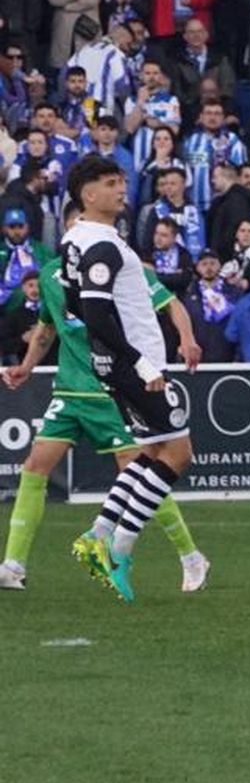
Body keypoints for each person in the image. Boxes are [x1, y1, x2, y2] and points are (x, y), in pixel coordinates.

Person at [0, 202, 208, 593]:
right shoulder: (50, 275)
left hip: (110, 387)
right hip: (69, 388)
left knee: (143, 464)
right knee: (35, 465)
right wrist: (26, 368)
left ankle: (189, 556)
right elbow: (47, 328)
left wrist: (186, 338)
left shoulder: (117, 266)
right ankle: (13, 565)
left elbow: (170, 303)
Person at [56, 157, 196, 603]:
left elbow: (75, 305)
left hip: (119, 364)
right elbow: (94, 313)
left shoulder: (75, 240)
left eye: (121, 181)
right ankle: (119, 548)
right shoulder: (103, 245)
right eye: (110, 183)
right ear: (87, 195)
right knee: (177, 453)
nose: (122, 189)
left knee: (152, 450)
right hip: (136, 364)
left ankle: (98, 532)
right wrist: (138, 361)